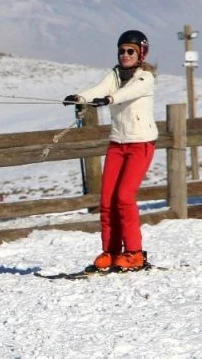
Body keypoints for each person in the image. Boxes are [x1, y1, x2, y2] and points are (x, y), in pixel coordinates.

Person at [63, 30, 157, 271]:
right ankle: (111, 251)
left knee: (124, 197)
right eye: (122, 51)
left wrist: (109, 99)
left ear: (141, 53)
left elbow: (129, 92)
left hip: (140, 144)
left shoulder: (145, 77)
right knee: (107, 200)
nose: (124, 55)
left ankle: (134, 253)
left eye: (130, 51)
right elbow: (99, 87)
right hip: (117, 144)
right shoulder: (115, 74)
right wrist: (80, 97)